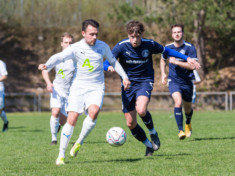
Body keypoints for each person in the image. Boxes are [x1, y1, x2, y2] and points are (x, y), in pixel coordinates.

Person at [38, 19, 130, 165]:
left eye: (96, 34)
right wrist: (47, 64)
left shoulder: (103, 46)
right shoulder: (75, 47)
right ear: (83, 33)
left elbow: (113, 62)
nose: (94, 37)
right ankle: (61, 155)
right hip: (78, 87)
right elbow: (59, 57)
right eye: (91, 34)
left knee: (94, 112)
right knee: (72, 118)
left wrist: (124, 77)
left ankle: (79, 142)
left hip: (96, 87)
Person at [103, 20, 200, 156]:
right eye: (132, 37)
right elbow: (106, 62)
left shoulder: (150, 44)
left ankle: (153, 132)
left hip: (144, 81)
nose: (135, 40)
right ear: (128, 35)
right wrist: (109, 67)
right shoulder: (121, 46)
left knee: (141, 109)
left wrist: (187, 58)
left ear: (141, 34)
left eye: (137, 36)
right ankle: (149, 145)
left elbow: (167, 51)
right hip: (128, 84)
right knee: (130, 123)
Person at [160, 24, 199, 140]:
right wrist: (163, 74)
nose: (177, 34)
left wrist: (177, 62)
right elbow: (162, 60)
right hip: (173, 80)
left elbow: (193, 66)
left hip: (187, 81)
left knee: (187, 108)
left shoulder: (190, 47)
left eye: (179, 32)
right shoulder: (167, 47)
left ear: (182, 33)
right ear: (172, 34)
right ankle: (180, 131)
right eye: (174, 32)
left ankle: (188, 123)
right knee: (178, 102)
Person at [41, 32, 74, 145]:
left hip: (71, 92)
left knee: (64, 120)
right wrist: (48, 83)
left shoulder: (76, 59)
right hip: (57, 89)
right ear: (61, 44)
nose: (68, 45)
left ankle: (58, 126)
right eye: (66, 42)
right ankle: (53, 139)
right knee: (55, 112)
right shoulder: (56, 57)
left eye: (70, 43)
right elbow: (45, 69)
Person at [0, 59, 8, 132]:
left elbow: (4, 76)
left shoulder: (1, 63)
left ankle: (6, 122)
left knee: (0, 109)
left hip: (0, 88)